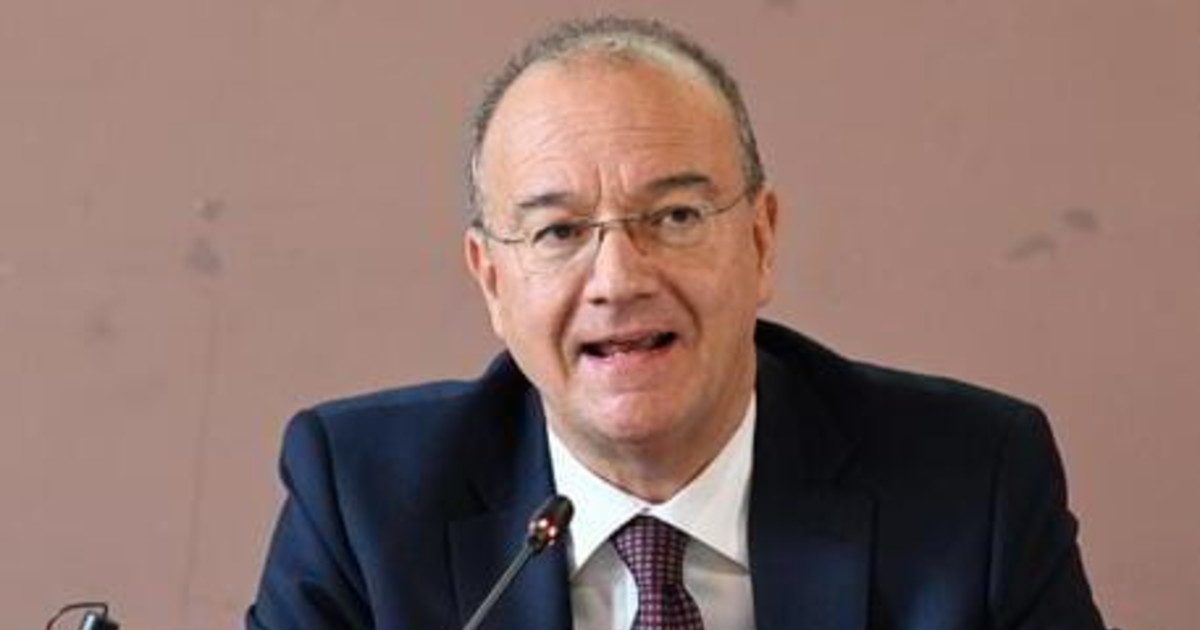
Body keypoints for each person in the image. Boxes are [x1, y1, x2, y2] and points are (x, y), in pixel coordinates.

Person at [247, 16, 1107, 630]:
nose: (619, 279)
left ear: (761, 240)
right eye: (558, 232)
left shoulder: (974, 481)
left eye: (677, 217)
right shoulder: (364, 498)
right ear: (493, 280)